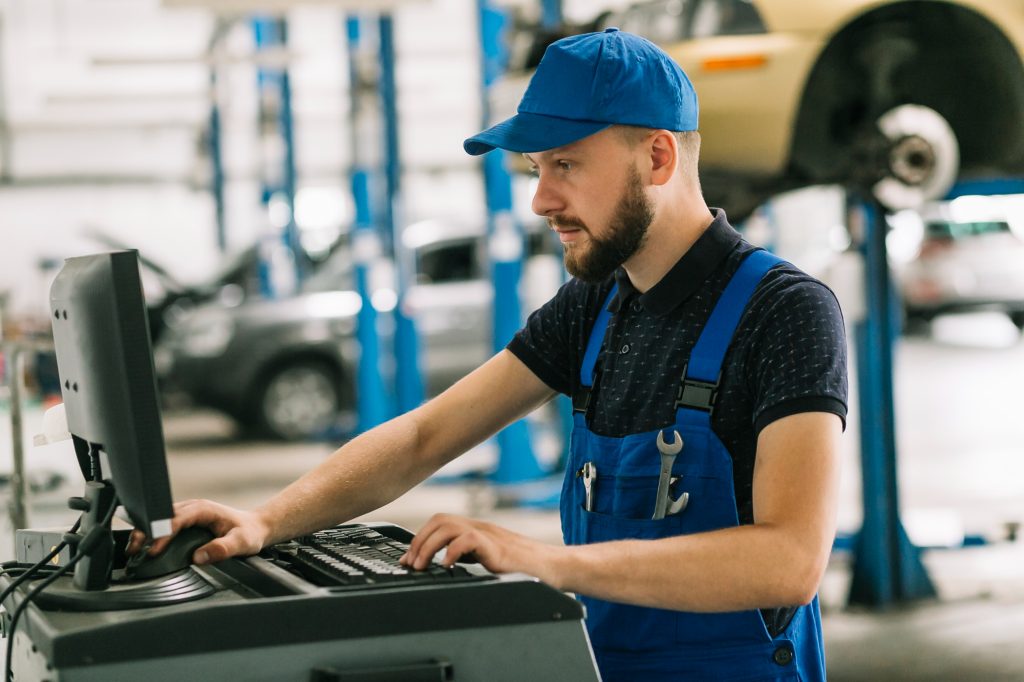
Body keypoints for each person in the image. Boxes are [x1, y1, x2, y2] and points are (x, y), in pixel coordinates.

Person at [134, 28, 847, 681]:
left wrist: (548, 562)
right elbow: (424, 436)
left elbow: (789, 560)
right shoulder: (595, 308)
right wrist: (266, 521)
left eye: (566, 164)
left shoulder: (784, 312)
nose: (541, 199)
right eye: (537, 168)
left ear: (657, 156)